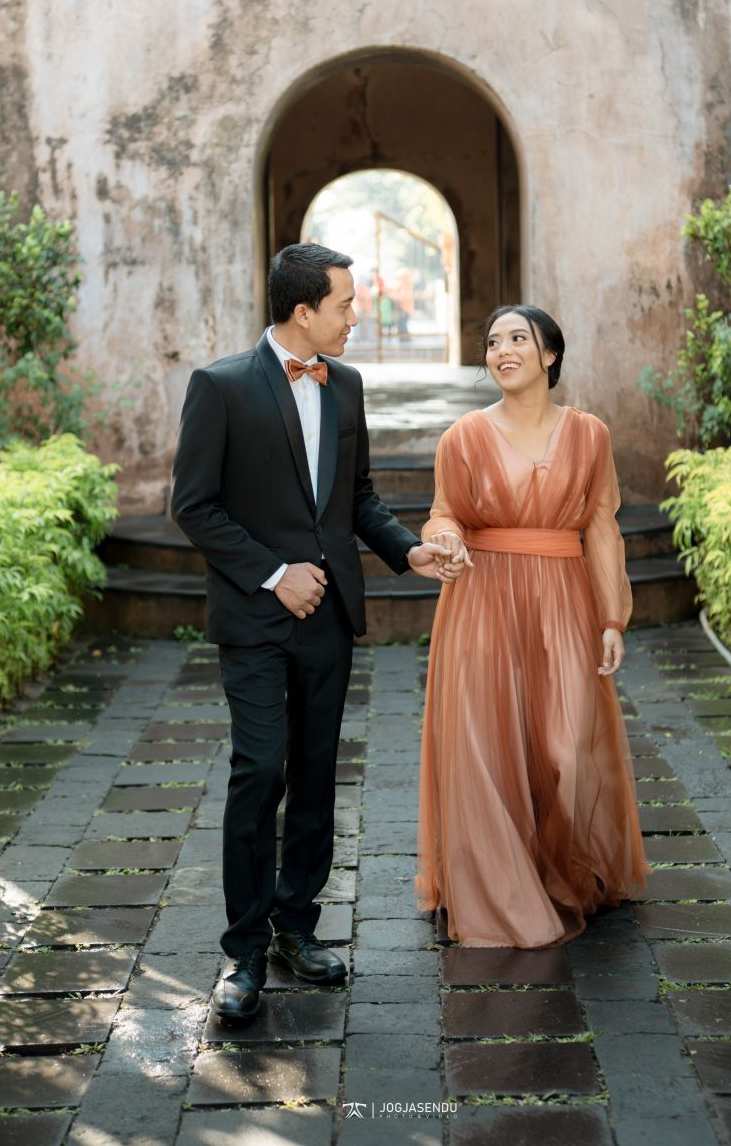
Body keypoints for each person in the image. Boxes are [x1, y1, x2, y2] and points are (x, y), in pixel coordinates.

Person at [171, 244, 453, 1024]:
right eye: (345, 304)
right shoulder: (220, 386)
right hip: (255, 618)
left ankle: (296, 927)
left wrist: (406, 550)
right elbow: (193, 506)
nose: (356, 315)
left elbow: (355, 498)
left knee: (317, 775)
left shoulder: (346, 385)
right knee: (259, 770)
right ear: (303, 311)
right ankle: (242, 952)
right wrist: (274, 573)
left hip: (328, 619)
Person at [415, 304, 649, 948]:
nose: (503, 351)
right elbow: (444, 512)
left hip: (564, 600)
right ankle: (496, 884)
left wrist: (611, 617)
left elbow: (601, 526)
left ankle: (555, 867)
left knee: (567, 750)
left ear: (549, 355)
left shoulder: (590, 435)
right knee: (490, 750)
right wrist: (445, 538)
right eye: (493, 342)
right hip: (482, 601)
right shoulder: (462, 436)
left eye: (518, 338)